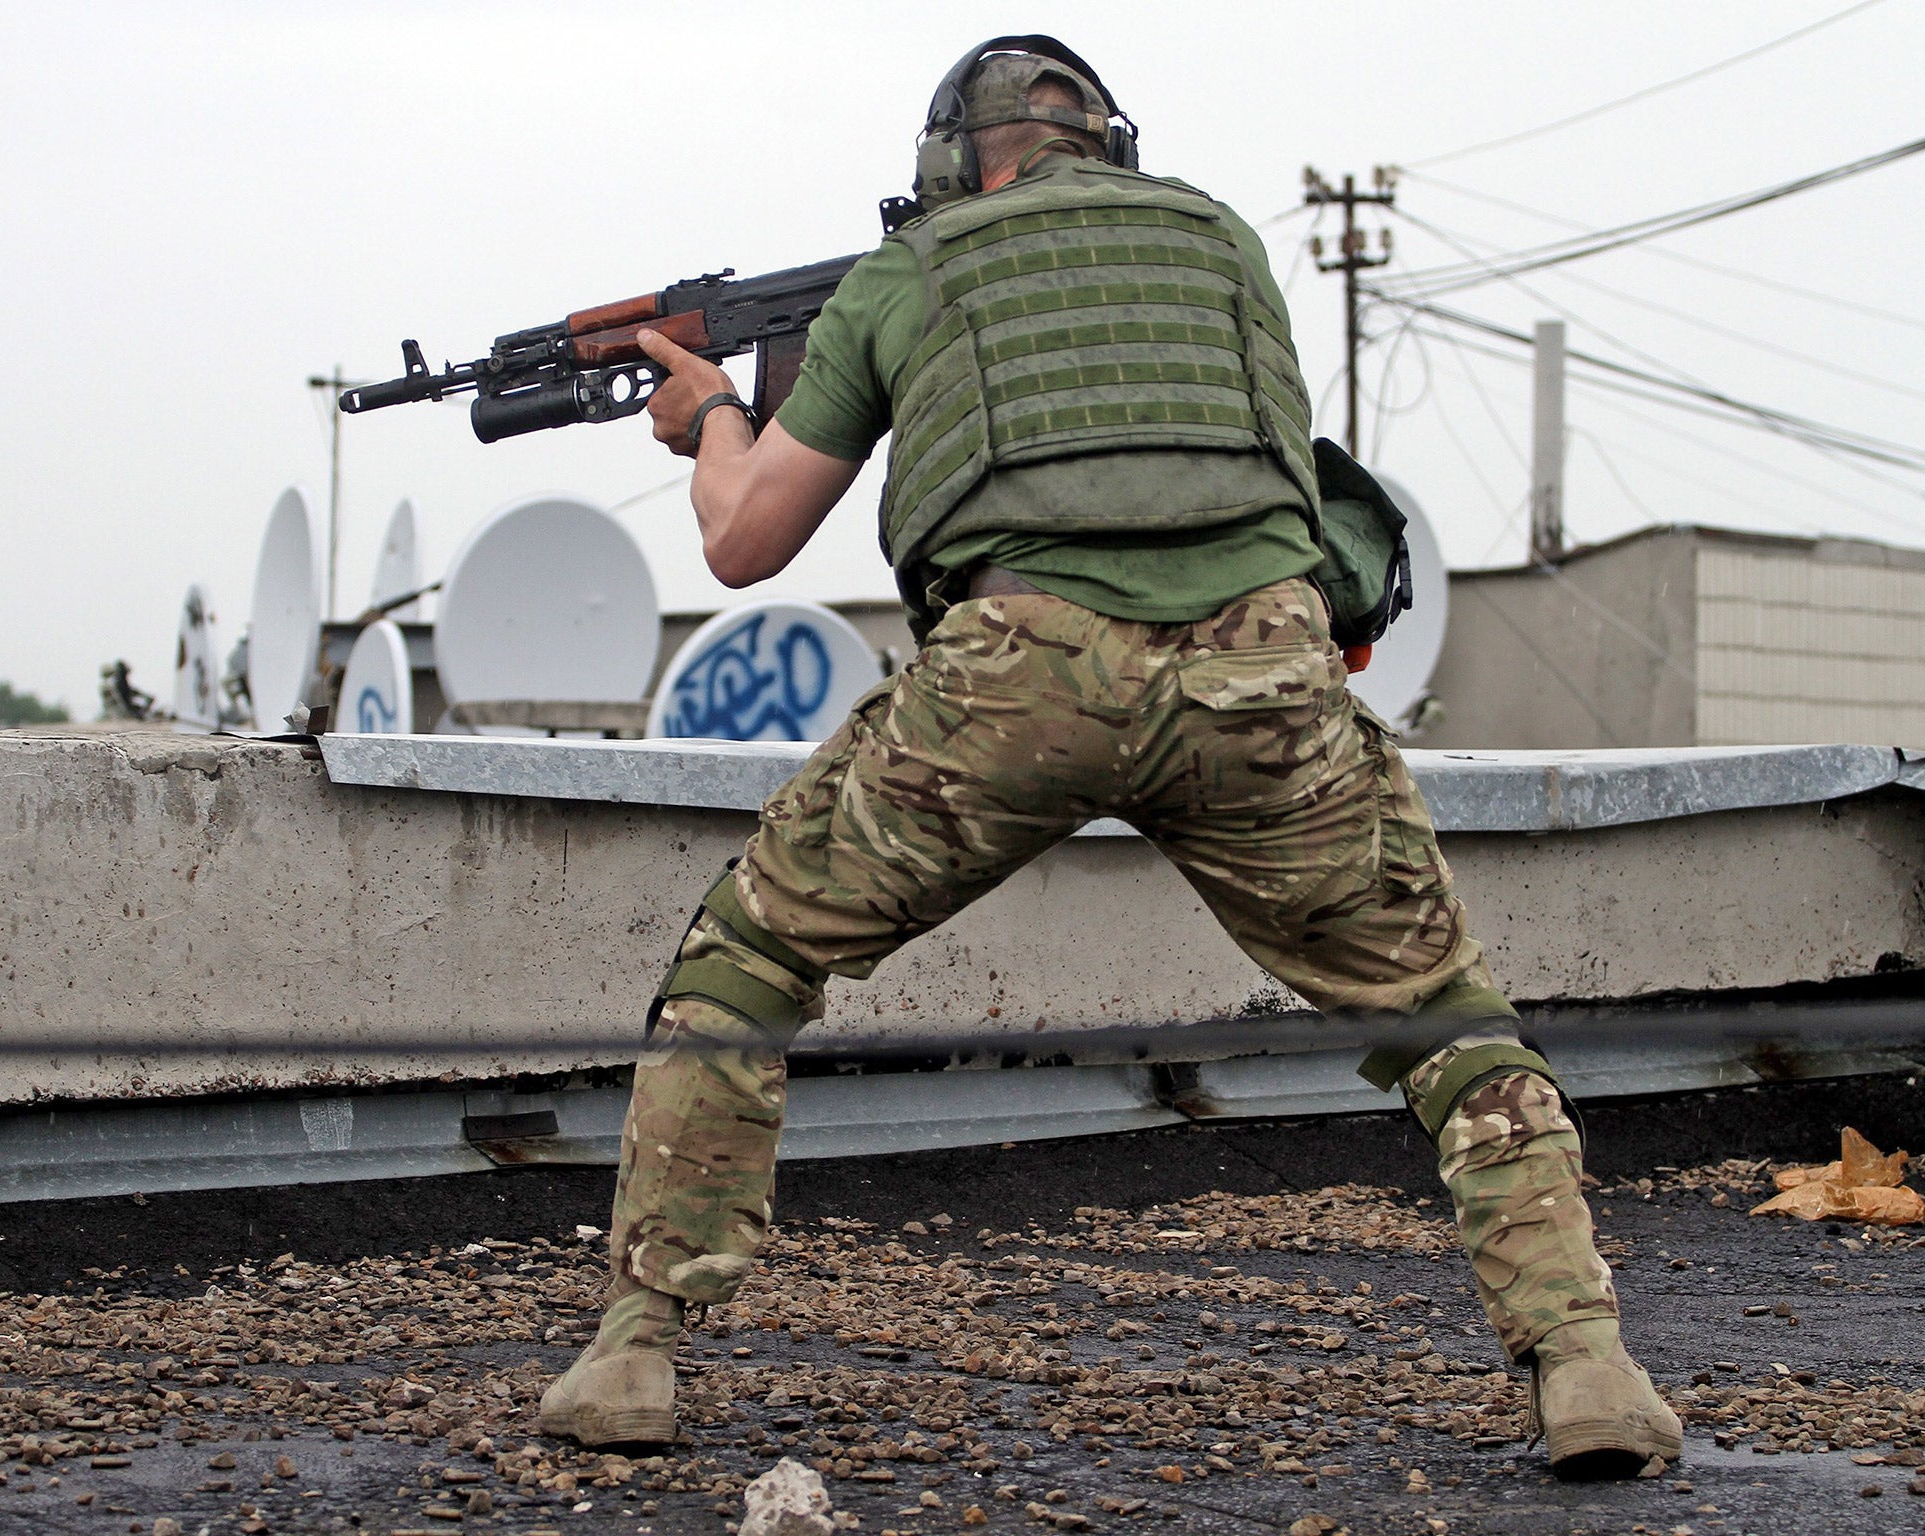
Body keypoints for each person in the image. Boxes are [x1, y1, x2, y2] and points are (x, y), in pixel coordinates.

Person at [537, 36, 1682, 1479]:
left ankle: (636, 1349)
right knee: (1447, 1016)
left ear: (952, 161)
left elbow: (746, 536)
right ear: (1111, 147)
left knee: (748, 961)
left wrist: (708, 414)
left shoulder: (913, 271)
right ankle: (1585, 1367)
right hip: (1265, 672)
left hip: (1020, 676)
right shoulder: (1226, 241)